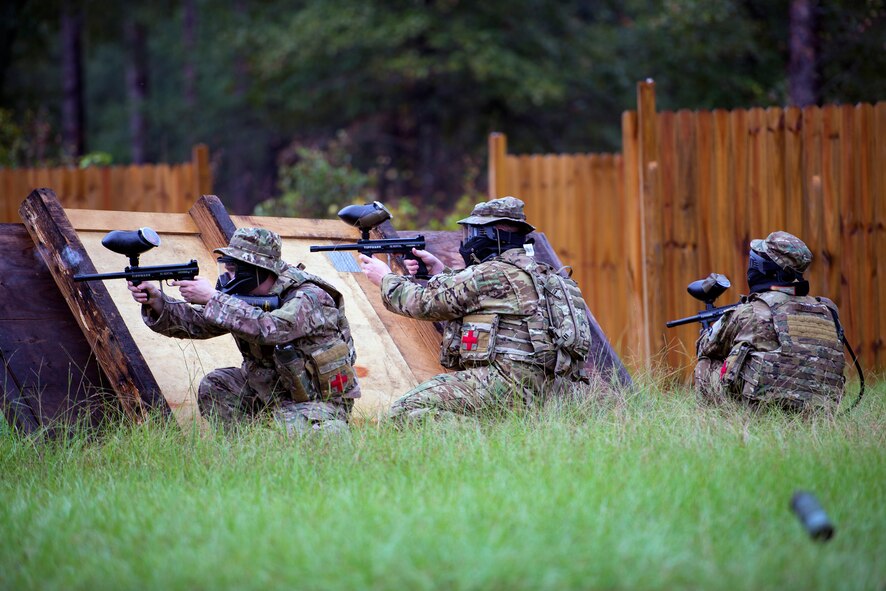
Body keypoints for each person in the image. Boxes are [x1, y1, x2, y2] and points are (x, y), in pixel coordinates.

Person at [359, 196, 592, 422]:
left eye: (473, 233)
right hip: (548, 391)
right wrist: (441, 272)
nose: (468, 240)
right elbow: (485, 296)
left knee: (406, 411)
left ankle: (481, 442)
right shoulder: (542, 273)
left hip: (504, 384)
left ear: (490, 235)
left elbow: (424, 304)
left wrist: (385, 278)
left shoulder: (490, 273)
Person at [128, 227, 360, 433]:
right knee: (216, 384)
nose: (228, 276)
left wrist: (213, 298)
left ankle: (328, 432)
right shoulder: (249, 298)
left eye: (234, 270)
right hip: (270, 394)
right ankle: (238, 454)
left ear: (257, 270)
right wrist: (157, 301)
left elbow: (271, 329)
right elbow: (198, 325)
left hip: (318, 402)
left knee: (289, 436)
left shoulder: (309, 296)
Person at [694, 231, 845, 412]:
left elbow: (706, 347)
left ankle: (721, 426)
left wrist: (712, 328)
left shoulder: (750, 311)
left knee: (706, 364)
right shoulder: (827, 310)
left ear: (765, 268)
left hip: (763, 411)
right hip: (822, 412)